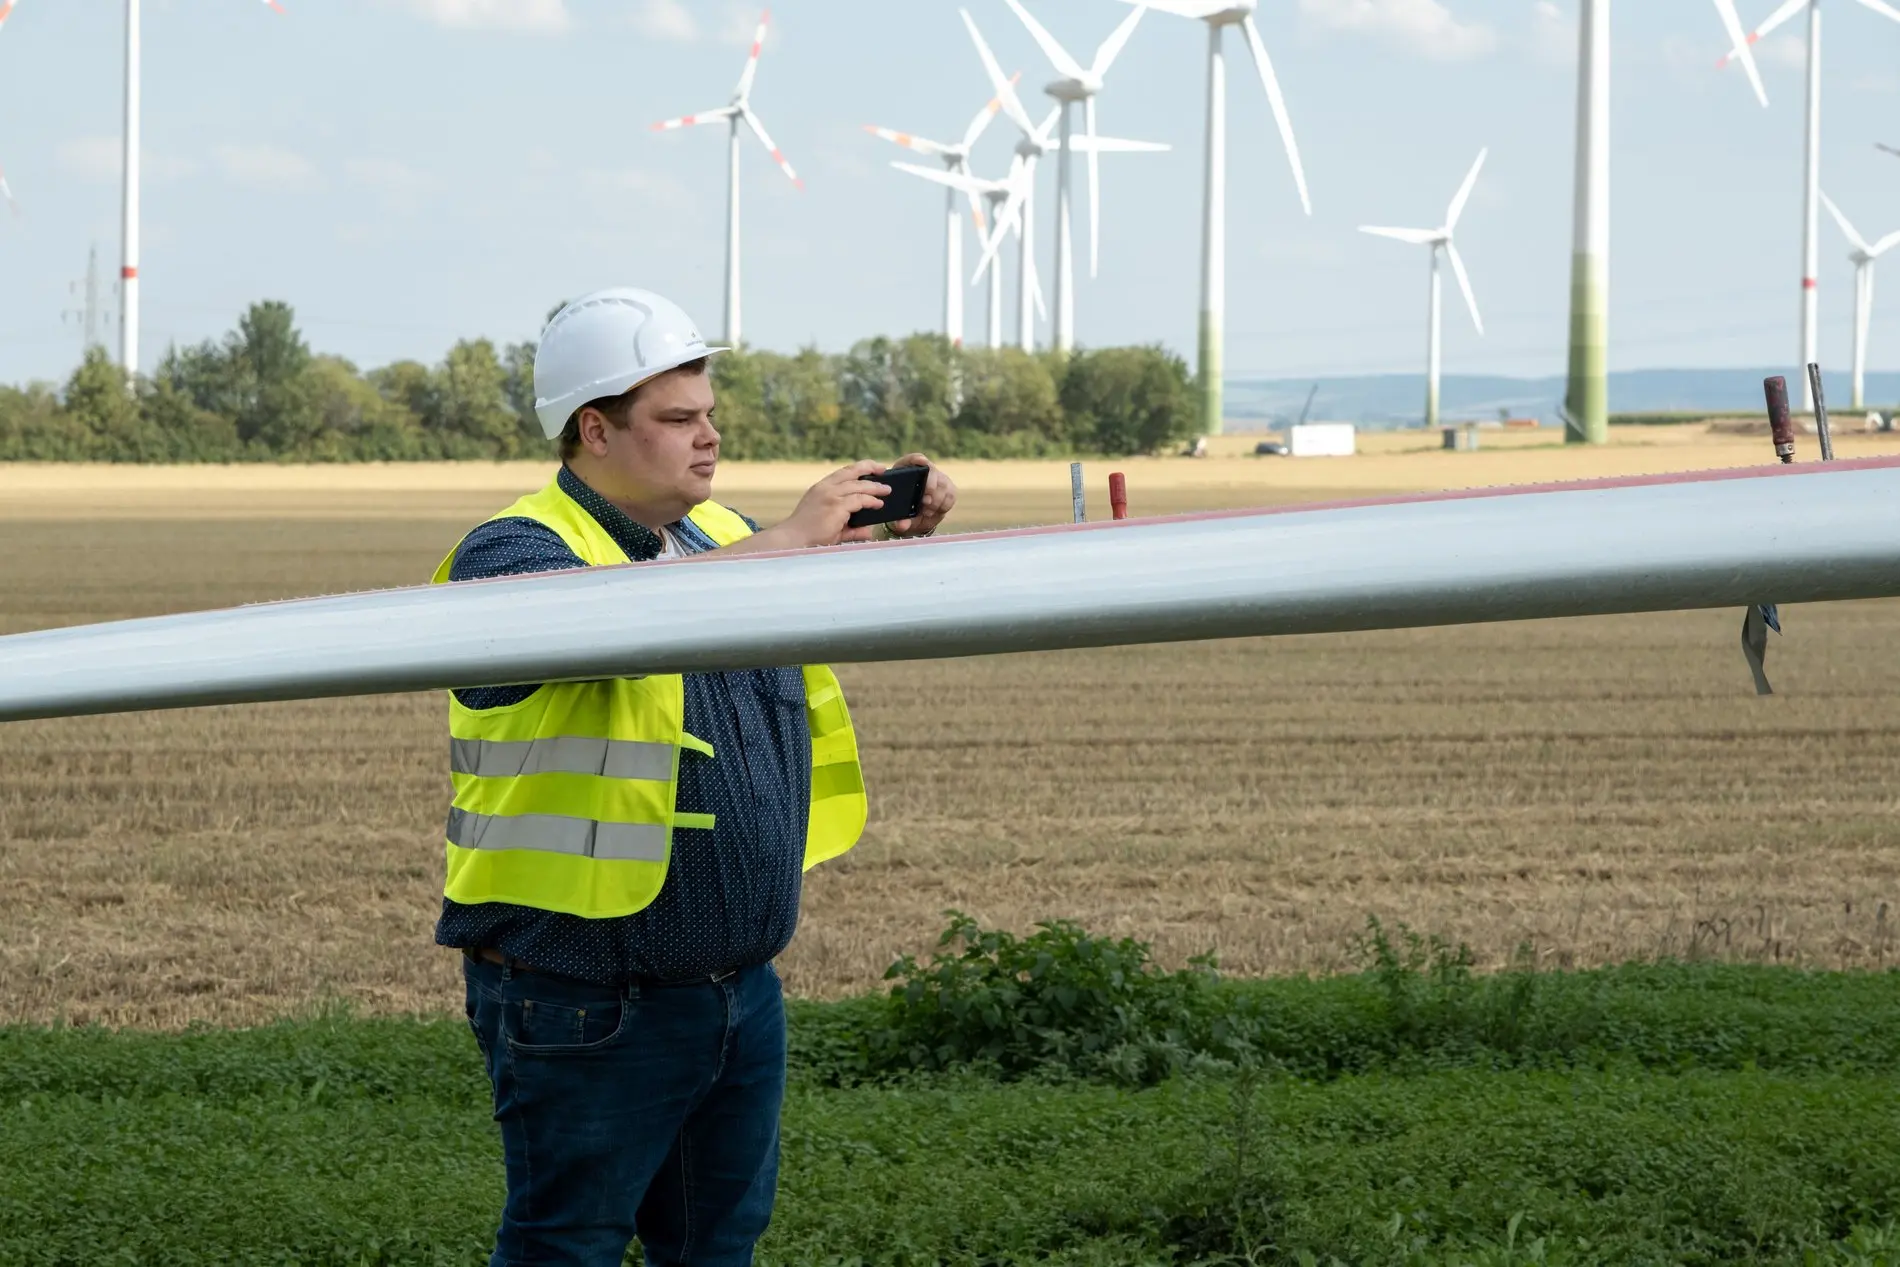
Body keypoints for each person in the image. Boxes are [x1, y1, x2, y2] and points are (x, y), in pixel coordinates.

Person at [431, 287, 956, 1266]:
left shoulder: (720, 537)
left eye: (708, 413)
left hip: (736, 989)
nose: (709, 438)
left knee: (716, 1248)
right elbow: (594, 622)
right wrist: (792, 542)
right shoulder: (510, 550)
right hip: (588, 996)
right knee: (564, 1248)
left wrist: (879, 530)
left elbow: (778, 581)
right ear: (594, 429)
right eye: (678, 420)